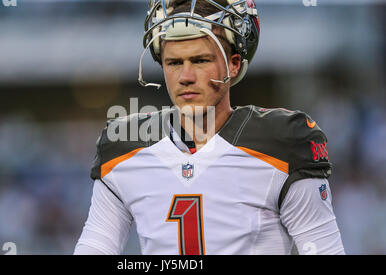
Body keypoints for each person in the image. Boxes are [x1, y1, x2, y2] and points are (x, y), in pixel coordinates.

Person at [74, 0, 345, 255]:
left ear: (234, 64)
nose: (186, 77)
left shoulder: (281, 142)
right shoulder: (123, 148)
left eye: (200, 61)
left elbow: (324, 249)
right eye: (174, 63)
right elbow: (96, 245)